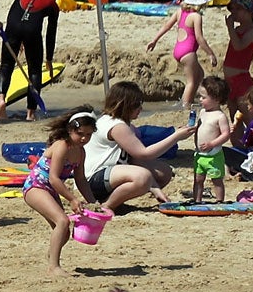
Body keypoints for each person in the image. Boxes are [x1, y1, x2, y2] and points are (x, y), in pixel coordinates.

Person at [83, 82, 194, 210]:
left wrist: (157, 191)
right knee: (143, 176)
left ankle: (113, 199)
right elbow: (144, 153)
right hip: (93, 180)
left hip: (108, 176)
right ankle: (107, 206)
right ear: (124, 105)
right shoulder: (116, 125)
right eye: (137, 105)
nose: (140, 108)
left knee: (164, 172)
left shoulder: (123, 124)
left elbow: (136, 160)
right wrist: (176, 136)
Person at [22, 109, 96, 273]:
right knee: (62, 221)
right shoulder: (62, 146)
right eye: (80, 133)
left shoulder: (81, 152)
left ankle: (51, 257)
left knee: (63, 232)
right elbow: (54, 178)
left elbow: (81, 179)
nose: (84, 138)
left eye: (89, 135)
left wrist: (93, 203)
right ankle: (54, 267)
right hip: (36, 186)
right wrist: (72, 199)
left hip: (50, 189)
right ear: (70, 130)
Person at [0, 0, 67, 120]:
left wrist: (16, 37)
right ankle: (31, 113)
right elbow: (50, 34)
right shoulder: (53, 5)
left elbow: (13, 14)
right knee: (35, 72)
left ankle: (1, 99)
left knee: (6, 66)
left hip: (12, 28)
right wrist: (48, 58)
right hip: (32, 31)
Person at [146, 0, 218, 110]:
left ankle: (194, 98)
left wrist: (154, 40)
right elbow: (199, 38)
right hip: (188, 53)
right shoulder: (196, 16)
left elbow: (167, 26)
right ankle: (185, 106)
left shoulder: (180, 11)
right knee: (191, 81)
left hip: (178, 50)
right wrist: (210, 54)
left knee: (200, 74)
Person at [192, 75, 233, 203]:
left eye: (203, 97)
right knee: (198, 179)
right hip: (200, 154)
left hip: (213, 155)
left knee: (216, 180)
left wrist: (212, 143)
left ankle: (220, 201)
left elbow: (225, 134)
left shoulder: (220, 116)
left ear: (216, 99)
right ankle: (197, 200)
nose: (200, 99)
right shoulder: (203, 112)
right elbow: (200, 127)